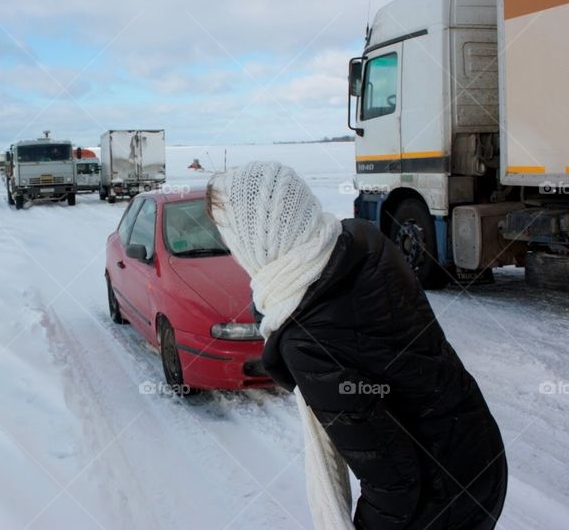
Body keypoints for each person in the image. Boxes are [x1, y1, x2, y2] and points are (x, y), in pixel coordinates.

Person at [205, 161, 507, 530]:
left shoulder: (304, 339)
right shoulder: (361, 240)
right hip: (479, 448)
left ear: (256, 238)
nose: (230, 249)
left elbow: (394, 483)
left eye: (229, 236)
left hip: (443, 502)